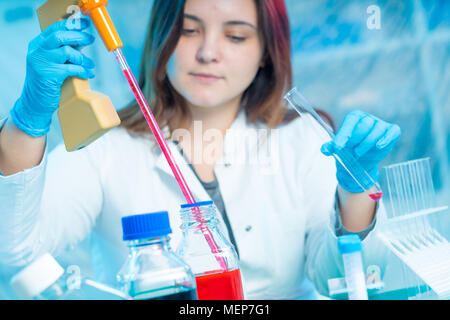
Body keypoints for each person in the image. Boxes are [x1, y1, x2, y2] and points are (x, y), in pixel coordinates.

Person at [0, 0, 400, 299]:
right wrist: (28, 118)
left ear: (266, 52)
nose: (208, 51)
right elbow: (13, 250)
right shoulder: (105, 147)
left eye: (235, 35)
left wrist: (354, 192)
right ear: (162, 38)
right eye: (189, 31)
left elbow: (342, 279)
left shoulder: (302, 138)